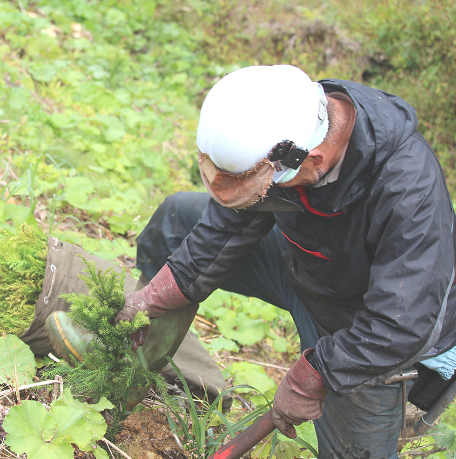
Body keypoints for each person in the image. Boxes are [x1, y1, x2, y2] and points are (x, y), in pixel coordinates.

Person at [115, 65, 456, 458]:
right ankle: (138, 373)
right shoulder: (283, 127)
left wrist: (317, 374)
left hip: (373, 330)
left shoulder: (408, 190)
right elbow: (228, 224)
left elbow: (402, 322)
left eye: (267, 185)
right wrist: (156, 297)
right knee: (178, 219)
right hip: (305, 268)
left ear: (316, 161)